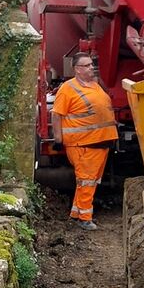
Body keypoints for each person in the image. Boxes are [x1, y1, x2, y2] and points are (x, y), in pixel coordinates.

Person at [51, 52, 119, 230]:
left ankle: (76, 212)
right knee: (86, 181)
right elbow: (57, 114)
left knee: (89, 181)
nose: (91, 67)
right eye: (87, 65)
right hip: (83, 144)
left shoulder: (95, 85)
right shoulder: (68, 88)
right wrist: (58, 138)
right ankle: (85, 218)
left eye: (91, 64)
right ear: (77, 69)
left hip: (100, 143)